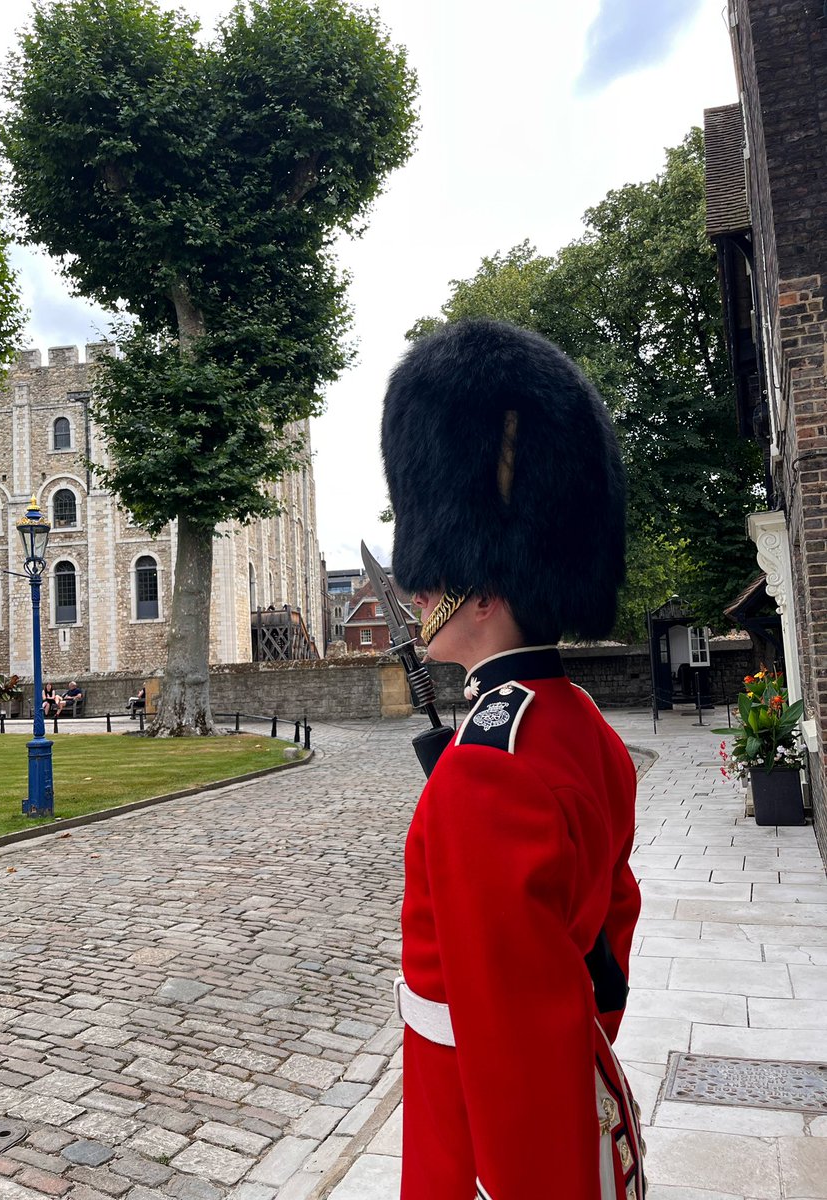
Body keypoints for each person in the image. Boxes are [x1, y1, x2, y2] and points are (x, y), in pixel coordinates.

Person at [381, 319, 644, 1199]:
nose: (418, 592)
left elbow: (510, 1043)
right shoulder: (581, 727)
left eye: (432, 573)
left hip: (487, 1147)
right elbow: (606, 946)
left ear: (483, 581)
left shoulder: (485, 770)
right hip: (587, 1105)